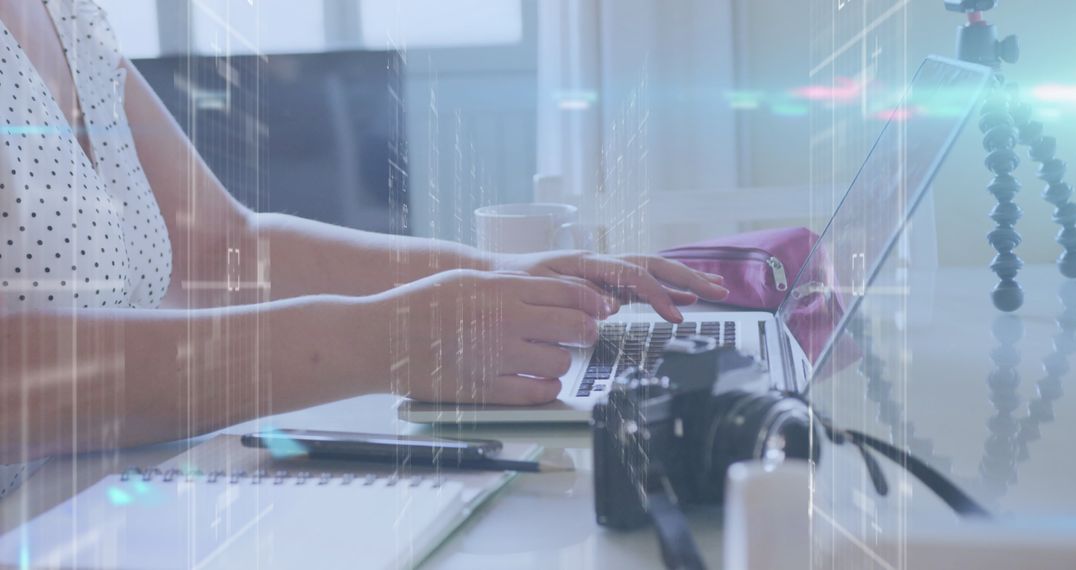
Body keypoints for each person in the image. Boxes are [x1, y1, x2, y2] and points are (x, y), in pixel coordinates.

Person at [0, 0, 728, 485]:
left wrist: (506, 277)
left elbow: (221, 248)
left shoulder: (67, 12)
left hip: (104, 511)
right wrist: (386, 340)